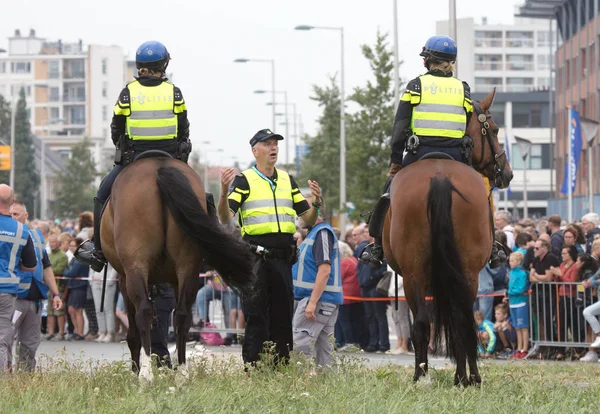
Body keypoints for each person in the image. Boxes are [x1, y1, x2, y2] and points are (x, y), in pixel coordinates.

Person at [360, 35, 505, 269]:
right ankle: (493, 246)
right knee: (482, 194)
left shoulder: (415, 86)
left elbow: (399, 129)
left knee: (388, 192)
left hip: (419, 154)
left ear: (427, 61)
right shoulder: (463, 89)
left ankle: (376, 246)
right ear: (451, 62)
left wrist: (396, 161)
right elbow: (470, 130)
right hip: (456, 156)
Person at [75, 40, 192, 272]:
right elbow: (184, 128)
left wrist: (122, 149)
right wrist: (180, 152)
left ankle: (98, 251)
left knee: (102, 194)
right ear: (164, 65)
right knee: (202, 198)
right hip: (169, 158)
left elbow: (116, 127)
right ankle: (206, 248)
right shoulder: (174, 92)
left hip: (134, 158)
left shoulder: (128, 92)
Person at [217, 128, 322, 367]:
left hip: (283, 258)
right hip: (255, 258)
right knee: (256, 316)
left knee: (283, 317)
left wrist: (316, 202)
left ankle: (281, 367)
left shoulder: (286, 179)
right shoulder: (245, 180)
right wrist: (223, 193)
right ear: (255, 151)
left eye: (275, 143)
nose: (273, 147)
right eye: (267, 144)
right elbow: (224, 218)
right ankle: (253, 367)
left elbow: (308, 219)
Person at [9, 201, 62, 371]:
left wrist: (56, 293)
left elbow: (46, 266)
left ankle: (25, 381)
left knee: (30, 343)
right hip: (14, 297)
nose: (13, 217)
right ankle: (5, 380)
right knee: (6, 340)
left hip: (35, 299)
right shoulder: (6, 235)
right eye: (10, 214)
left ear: (26, 216)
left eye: (16, 214)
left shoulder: (37, 237)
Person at [292, 203, 342, 368]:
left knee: (300, 343)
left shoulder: (321, 234)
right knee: (324, 350)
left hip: (317, 300)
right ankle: (328, 387)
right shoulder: (314, 234)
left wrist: (312, 302)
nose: (299, 217)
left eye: (301, 213)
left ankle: (299, 383)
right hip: (321, 300)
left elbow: (324, 271)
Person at [0, 185, 38, 373]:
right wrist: (13, 265)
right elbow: (31, 265)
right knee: (1, 337)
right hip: (7, 290)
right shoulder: (22, 231)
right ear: (12, 202)